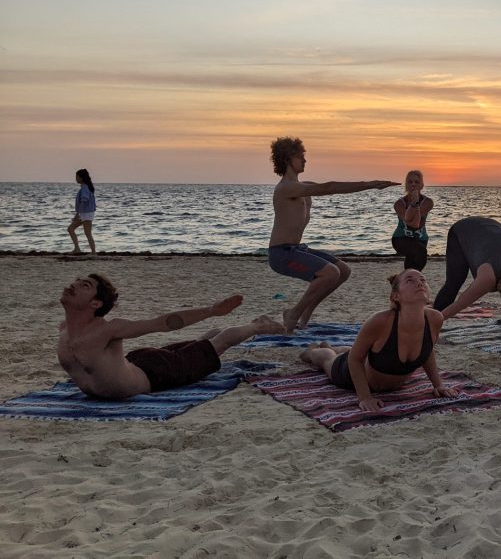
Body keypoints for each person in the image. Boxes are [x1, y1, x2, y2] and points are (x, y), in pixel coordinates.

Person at [57, 273, 285, 400]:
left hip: (157, 373)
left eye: (83, 285)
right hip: (136, 362)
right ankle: (215, 334)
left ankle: (256, 326)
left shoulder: (108, 329)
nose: (72, 285)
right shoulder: (63, 329)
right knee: (200, 347)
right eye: (74, 282)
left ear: (96, 303)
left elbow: (162, 323)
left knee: (218, 344)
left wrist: (210, 311)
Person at [267, 137, 398, 333]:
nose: (305, 160)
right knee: (330, 273)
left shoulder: (301, 186)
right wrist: (371, 184)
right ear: (287, 159)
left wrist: (366, 186)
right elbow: (327, 188)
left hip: (295, 249)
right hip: (281, 254)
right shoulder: (287, 188)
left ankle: (304, 314)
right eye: (300, 156)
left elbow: (331, 188)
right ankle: (293, 313)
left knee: (343, 270)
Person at [300, 269, 458, 410]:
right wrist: (364, 397)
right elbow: (355, 359)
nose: (419, 283)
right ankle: (313, 351)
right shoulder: (380, 321)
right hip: (350, 375)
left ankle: (336, 348)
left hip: (380, 368)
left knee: (357, 351)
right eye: (410, 280)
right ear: (396, 296)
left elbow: (427, 350)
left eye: (423, 280)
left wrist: (438, 385)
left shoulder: (435, 318)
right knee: (328, 359)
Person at [432, 216, 501, 328]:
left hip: (492, 225)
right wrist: (436, 321)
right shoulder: (487, 279)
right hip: (462, 229)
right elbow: (460, 304)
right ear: (498, 285)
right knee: (454, 282)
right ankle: (432, 318)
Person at [392, 170, 434, 271]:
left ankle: (407, 279)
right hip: (401, 239)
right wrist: (414, 203)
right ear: (406, 185)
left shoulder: (428, 202)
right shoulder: (399, 204)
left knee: (414, 258)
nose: (413, 184)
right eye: (410, 182)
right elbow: (410, 223)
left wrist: (415, 203)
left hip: (421, 239)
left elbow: (417, 224)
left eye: (416, 182)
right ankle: (410, 278)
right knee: (419, 251)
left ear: (422, 185)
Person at [68, 168, 97, 254]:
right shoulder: (86, 187)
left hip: (86, 214)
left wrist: (77, 214)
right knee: (70, 229)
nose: (76, 178)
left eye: (77, 176)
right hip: (85, 213)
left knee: (87, 233)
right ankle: (77, 249)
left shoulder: (85, 187)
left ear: (81, 178)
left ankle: (94, 253)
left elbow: (84, 200)